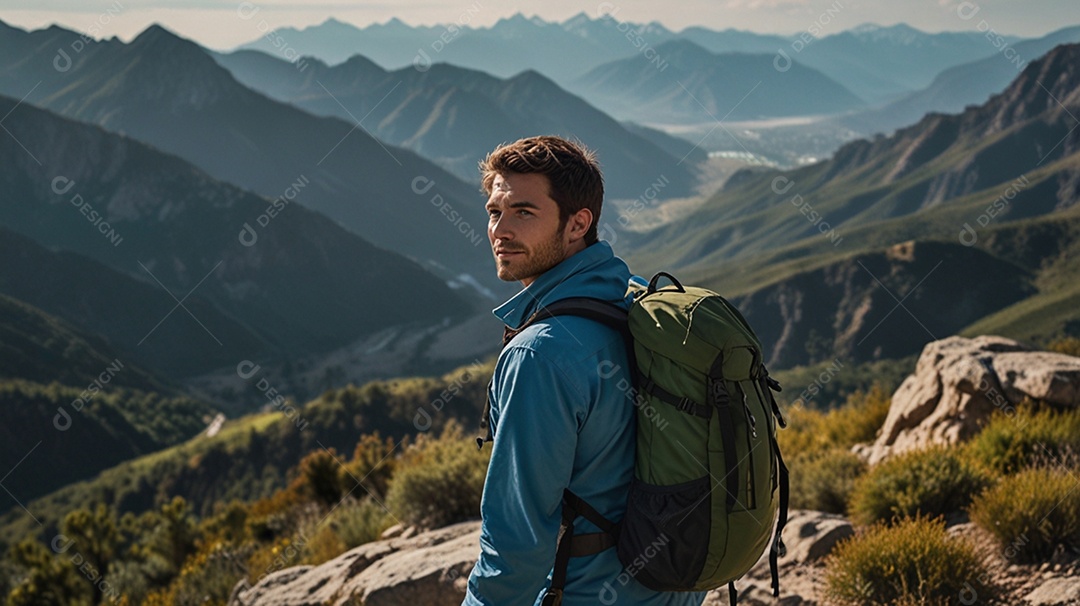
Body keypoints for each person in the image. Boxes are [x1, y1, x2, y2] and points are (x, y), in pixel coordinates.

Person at [463, 136, 707, 606]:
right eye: (495, 212)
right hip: (673, 587)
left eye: (523, 213)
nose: (500, 230)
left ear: (579, 224)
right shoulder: (636, 304)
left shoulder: (540, 355)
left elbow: (516, 542)